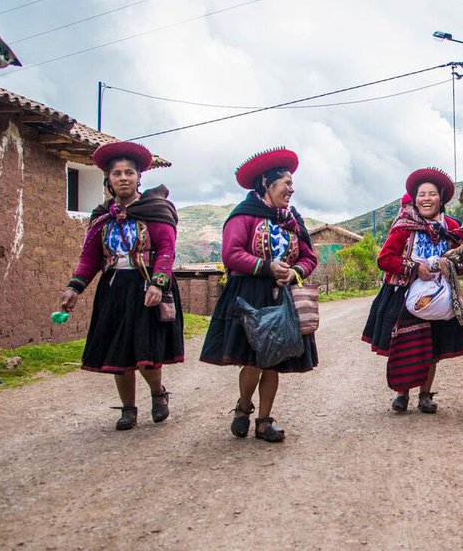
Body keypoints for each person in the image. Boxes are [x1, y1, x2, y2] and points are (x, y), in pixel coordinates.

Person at [59, 141, 183, 431]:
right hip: (114, 289)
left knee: (146, 352)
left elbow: (167, 249)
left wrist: (158, 283)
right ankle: (129, 409)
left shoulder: (155, 210)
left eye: (129, 172)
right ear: (109, 180)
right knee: (119, 354)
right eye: (117, 173)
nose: (123, 178)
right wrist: (74, 288)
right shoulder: (102, 217)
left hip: (147, 287)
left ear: (140, 177)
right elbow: (90, 257)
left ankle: (157, 393)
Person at [200, 147, 317, 443]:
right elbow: (231, 253)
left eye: (292, 184)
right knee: (252, 360)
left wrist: (294, 272)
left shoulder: (292, 220)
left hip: (283, 297)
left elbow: (309, 257)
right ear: (266, 182)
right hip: (250, 295)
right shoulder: (245, 216)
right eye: (286, 183)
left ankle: (264, 422)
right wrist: (265, 267)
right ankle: (243, 407)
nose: (292, 189)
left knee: (273, 362)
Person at [362, 167, 463, 413]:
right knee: (406, 342)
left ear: (441, 198)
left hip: (439, 294)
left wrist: (455, 263)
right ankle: (402, 393)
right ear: (414, 198)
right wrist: (414, 268)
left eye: (432, 194)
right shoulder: (404, 226)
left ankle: (425, 394)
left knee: (432, 346)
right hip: (405, 293)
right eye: (421, 194)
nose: (426, 199)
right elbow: (385, 259)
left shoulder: (453, 228)